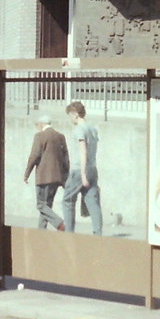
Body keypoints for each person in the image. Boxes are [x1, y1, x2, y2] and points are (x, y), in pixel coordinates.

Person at [23, 115, 69, 230]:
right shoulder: (60, 136)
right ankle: (41, 231)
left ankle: (59, 223)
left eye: (37, 125)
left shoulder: (39, 136)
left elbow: (34, 156)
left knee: (41, 205)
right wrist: (65, 177)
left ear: (41, 124)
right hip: (57, 177)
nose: (37, 127)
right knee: (47, 206)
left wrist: (27, 173)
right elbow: (66, 158)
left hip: (43, 177)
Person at [63, 101, 102, 235]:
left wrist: (83, 174)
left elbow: (82, 151)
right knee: (92, 201)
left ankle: (69, 234)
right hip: (92, 169)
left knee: (68, 200)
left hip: (80, 170)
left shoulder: (79, 129)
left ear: (75, 113)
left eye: (70, 115)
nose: (70, 118)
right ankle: (98, 234)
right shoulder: (93, 129)